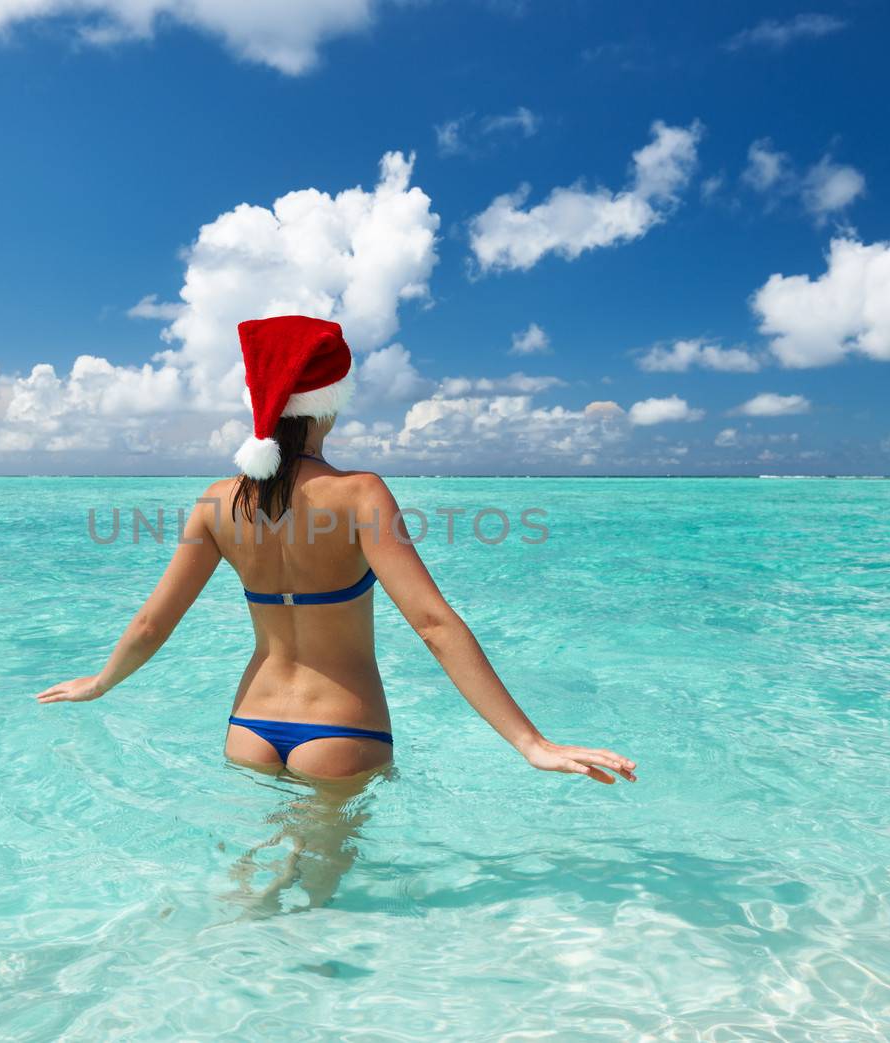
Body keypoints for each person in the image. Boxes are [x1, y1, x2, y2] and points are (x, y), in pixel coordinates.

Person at [34, 314, 636, 788]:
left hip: (248, 729)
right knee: (324, 918)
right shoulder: (359, 495)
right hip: (341, 730)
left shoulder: (218, 502)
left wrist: (101, 682)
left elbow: (149, 623)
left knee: (254, 891)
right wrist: (531, 743)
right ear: (330, 401)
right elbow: (433, 624)